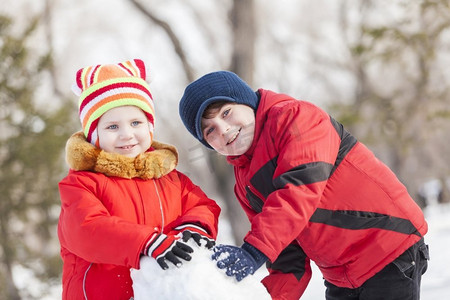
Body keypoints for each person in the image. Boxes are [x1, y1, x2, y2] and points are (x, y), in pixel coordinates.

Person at [178, 70, 429, 300]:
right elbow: (286, 255)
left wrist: (254, 251)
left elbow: (299, 189)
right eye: (209, 130)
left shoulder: (295, 118)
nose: (223, 130)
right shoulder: (245, 183)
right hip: (341, 274)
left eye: (226, 113)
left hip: (387, 246)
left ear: (247, 101)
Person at [58, 59, 221, 300]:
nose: (127, 134)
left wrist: (193, 228)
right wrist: (146, 241)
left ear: (149, 127)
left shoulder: (170, 179)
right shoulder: (82, 184)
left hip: (159, 292)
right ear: (95, 136)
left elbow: (202, 206)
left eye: (136, 123)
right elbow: (86, 228)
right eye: (112, 126)